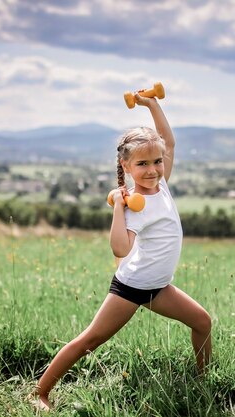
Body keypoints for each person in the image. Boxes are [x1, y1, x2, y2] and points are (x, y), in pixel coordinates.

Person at [33, 93, 212, 411]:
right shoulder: (133, 204)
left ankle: (204, 380)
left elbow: (168, 142)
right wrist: (118, 206)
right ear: (126, 166)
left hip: (159, 287)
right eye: (142, 164)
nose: (153, 169)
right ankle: (40, 393)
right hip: (132, 287)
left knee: (202, 322)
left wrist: (151, 105)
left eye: (156, 161)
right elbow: (120, 247)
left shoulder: (162, 186)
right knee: (89, 341)